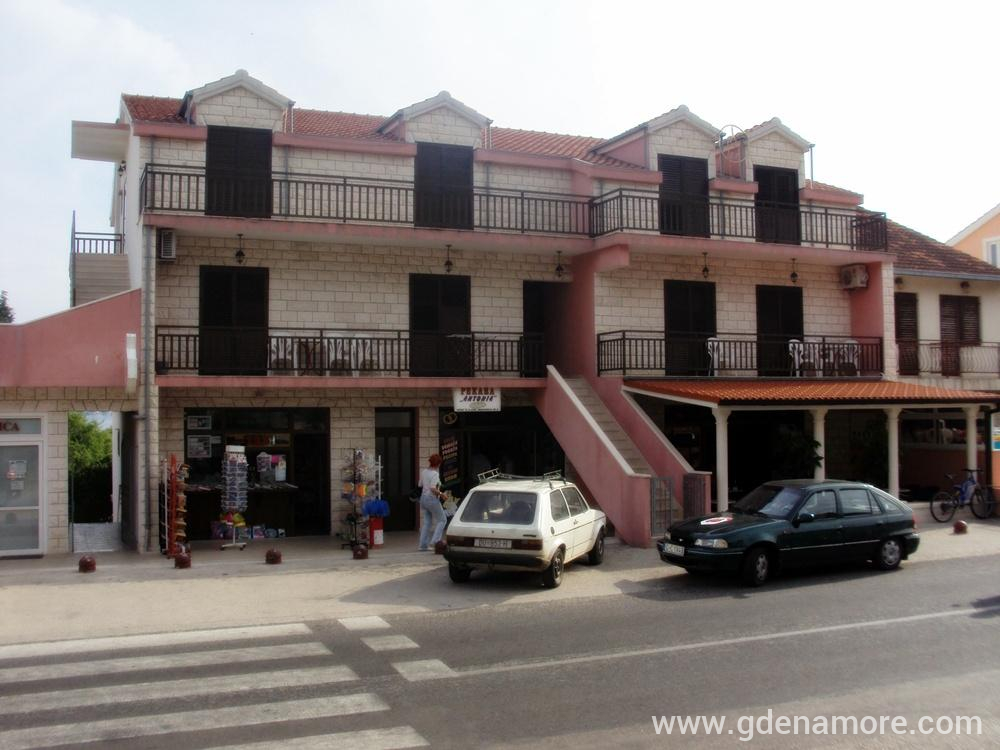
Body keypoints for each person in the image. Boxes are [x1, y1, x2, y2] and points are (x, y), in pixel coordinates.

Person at [417, 453, 447, 551]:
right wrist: (442, 494)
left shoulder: (424, 472)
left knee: (427, 522)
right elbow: (433, 488)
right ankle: (435, 541)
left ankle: (422, 545)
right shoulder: (435, 474)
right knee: (442, 520)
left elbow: (420, 484)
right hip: (432, 499)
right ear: (438, 464)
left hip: (423, 499)